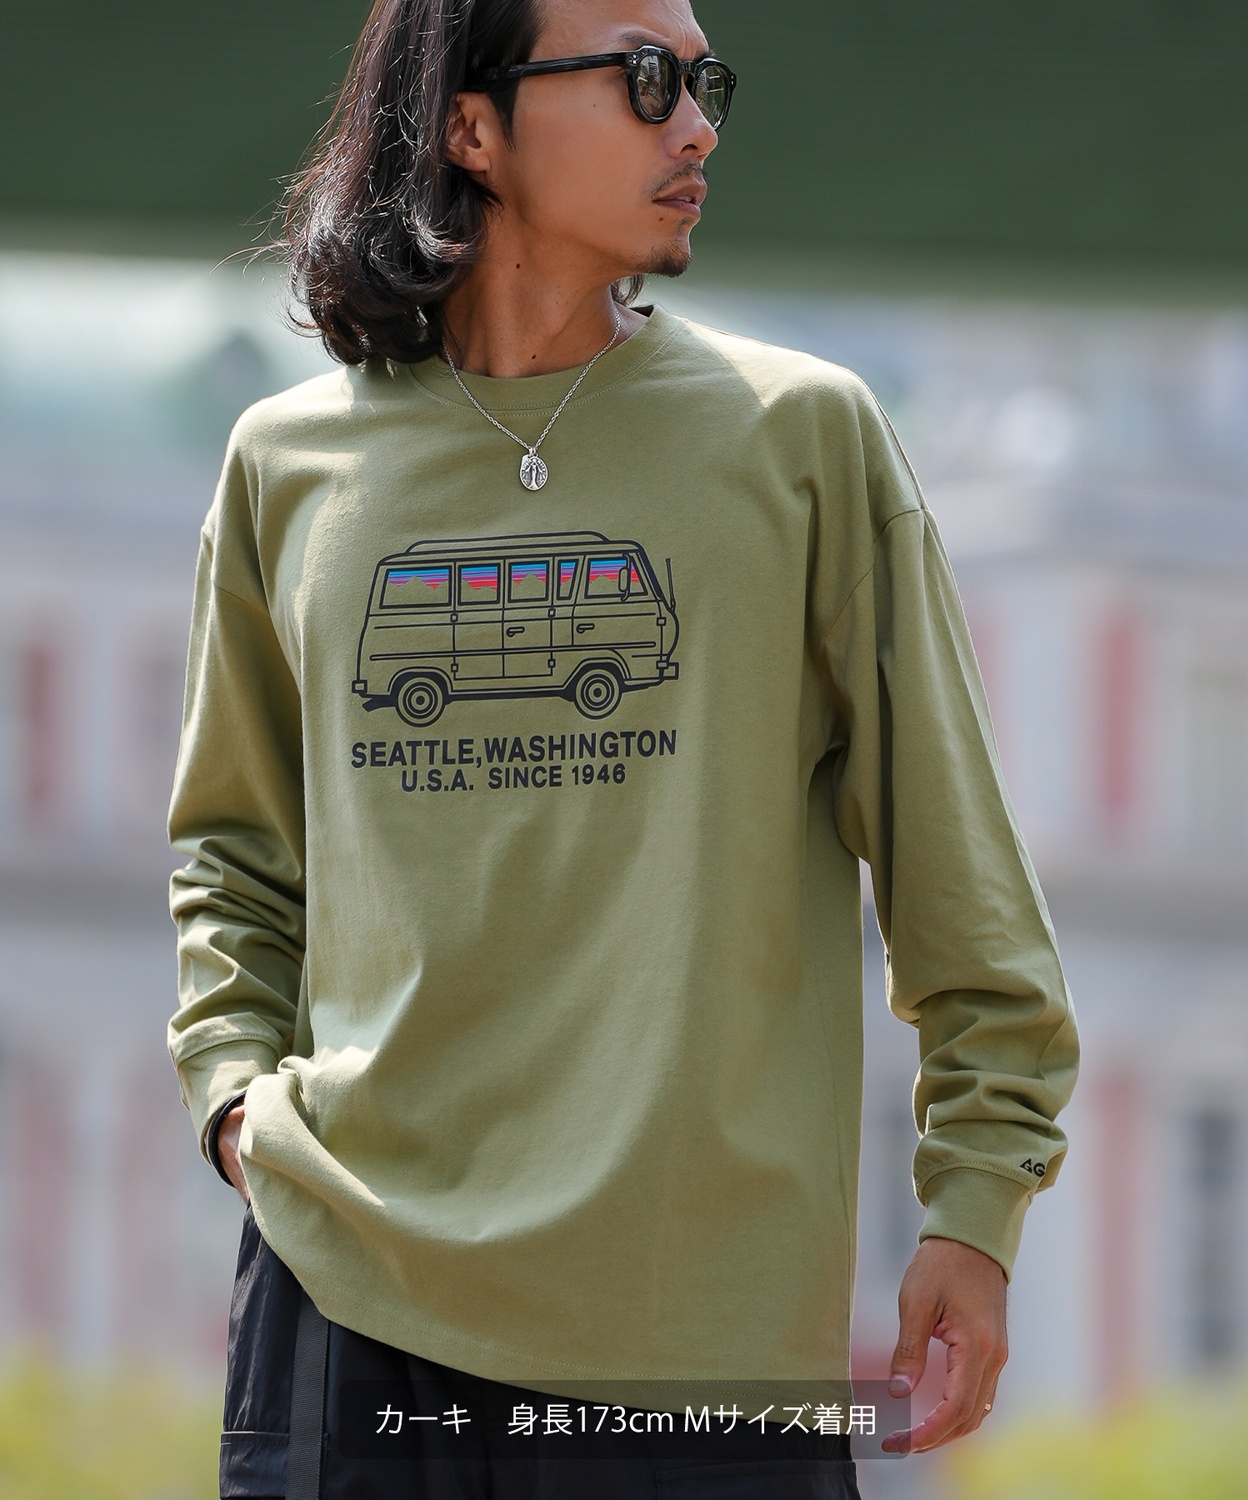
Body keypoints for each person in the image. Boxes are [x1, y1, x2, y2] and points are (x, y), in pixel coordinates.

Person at [167, 0, 1079, 1496]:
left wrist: (975, 1207)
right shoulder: (287, 464)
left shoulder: (803, 441)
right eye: (645, 79)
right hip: (346, 1304)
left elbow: (957, 873)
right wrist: (232, 1096)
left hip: (703, 1350)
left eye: (705, 81)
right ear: (472, 126)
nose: (698, 125)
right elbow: (235, 849)